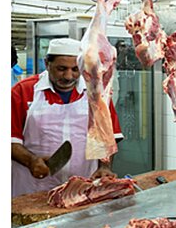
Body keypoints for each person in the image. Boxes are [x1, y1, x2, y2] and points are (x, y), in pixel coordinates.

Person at [11, 38, 122, 198]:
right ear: (47, 64)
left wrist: (104, 166)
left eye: (75, 69)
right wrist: (31, 161)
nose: (69, 76)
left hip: (82, 187)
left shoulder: (96, 93)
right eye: (61, 69)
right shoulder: (23, 91)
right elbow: (11, 141)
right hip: (33, 187)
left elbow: (107, 137)